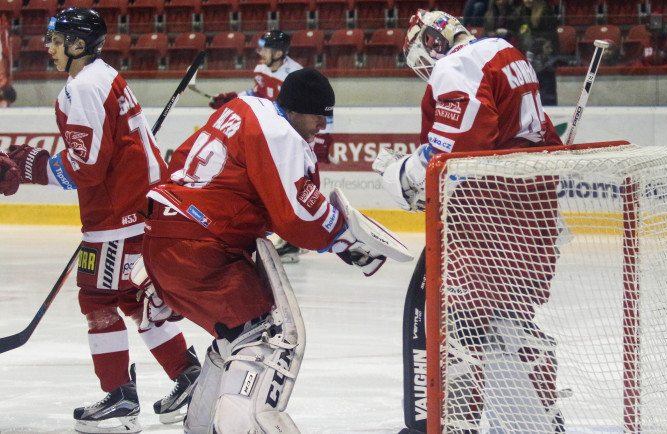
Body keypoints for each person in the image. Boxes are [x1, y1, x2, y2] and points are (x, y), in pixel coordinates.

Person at [140, 68, 412, 433]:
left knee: (235, 337)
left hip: (166, 238)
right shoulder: (278, 132)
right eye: (317, 114)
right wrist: (344, 238)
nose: (322, 123)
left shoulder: (242, 108)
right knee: (263, 340)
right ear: (296, 109)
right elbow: (296, 215)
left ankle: (201, 427)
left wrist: (337, 238)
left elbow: (237, 189)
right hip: (201, 249)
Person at [0, 8, 200, 433]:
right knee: (130, 298)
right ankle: (189, 378)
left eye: (56, 40)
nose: (49, 48)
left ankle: (120, 398)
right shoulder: (102, 76)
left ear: (77, 44)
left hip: (118, 215)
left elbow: (87, 165)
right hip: (134, 207)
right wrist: (33, 161)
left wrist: (33, 169)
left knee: (97, 300)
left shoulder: (84, 87)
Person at [374, 9, 565, 433]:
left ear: (434, 41)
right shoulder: (507, 52)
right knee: (508, 324)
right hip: (532, 216)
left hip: (487, 220)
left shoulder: (457, 65)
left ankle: (452, 427)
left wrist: (400, 174)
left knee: (460, 328)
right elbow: (544, 140)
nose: (426, 69)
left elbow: (454, 158)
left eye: (422, 56)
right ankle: (536, 423)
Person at [209, 29, 313, 264]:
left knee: (293, 186)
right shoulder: (260, 69)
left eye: (265, 49)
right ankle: (286, 239)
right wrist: (232, 99)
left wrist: (319, 139)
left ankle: (294, 242)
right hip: (270, 135)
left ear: (278, 52)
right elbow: (255, 94)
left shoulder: (295, 74)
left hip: (290, 138)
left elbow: (309, 107)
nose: (261, 53)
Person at [509, 0, 559, 105]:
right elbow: (516, 30)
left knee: (545, 87)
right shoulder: (521, 12)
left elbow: (550, 35)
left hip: (544, 57)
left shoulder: (546, 12)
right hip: (527, 54)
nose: (527, 0)